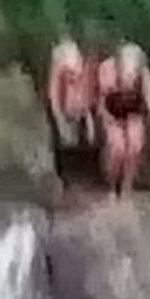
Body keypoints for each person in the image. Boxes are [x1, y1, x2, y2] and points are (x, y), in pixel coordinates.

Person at [94, 43, 150, 197]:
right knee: (118, 147)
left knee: (135, 145)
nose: (131, 77)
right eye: (128, 72)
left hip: (133, 110)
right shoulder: (107, 69)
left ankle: (127, 186)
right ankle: (112, 185)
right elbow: (104, 100)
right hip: (111, 110)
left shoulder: (143, 74)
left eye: (134, 73)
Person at [43, 40, 100, 191]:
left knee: (86, 141)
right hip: (63, 110)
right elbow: (54, 100)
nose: (73, 74)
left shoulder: (86, 69)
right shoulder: (58, 70)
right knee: (63, 143)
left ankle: (83, 179)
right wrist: (61, 123)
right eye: (69, 72)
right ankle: (64, 181)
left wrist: (90, 123)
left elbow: (88, 101)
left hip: (81, 111)